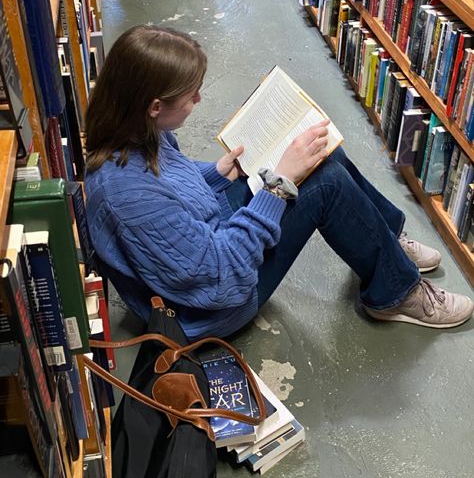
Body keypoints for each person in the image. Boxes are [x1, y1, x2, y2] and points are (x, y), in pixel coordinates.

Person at [84, 25, 474, 340]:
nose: (200, 99)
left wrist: (219, 174)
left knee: (323, 154)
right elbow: (224, 277)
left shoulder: (136, 132)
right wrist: (278, 185)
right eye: (191, 95)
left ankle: (387, 244)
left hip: (209, 236)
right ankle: (395, 294)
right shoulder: (128, 195)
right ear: (155, 106)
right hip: (209, 307)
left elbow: (173, 184)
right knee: (326, 183)